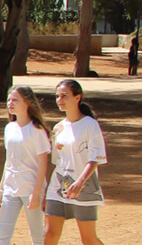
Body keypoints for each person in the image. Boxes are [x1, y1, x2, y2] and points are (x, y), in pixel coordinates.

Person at [44, 80, 108, 245]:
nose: (60, 100)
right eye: (57, 96)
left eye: (64, 96)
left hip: (84, 187)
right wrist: (47, 190)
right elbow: (56, 161)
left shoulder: (90, 125)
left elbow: (95, 158)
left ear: (78, 97)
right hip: (58, 187)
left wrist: (80, 182)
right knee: (49, 235)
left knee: (88, 239)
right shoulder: (58, 128)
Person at [0, 86, 52, 245]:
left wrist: (37, 193)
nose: (10, 103)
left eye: (15, 100)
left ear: (27, 102)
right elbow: (9, 159)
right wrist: (1, 188)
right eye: (8, 100)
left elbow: (43, 163)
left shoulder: (37, 130)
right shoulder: (9, 128)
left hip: (30, 188)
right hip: (11, 188)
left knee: (37, 235)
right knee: (3, 234)